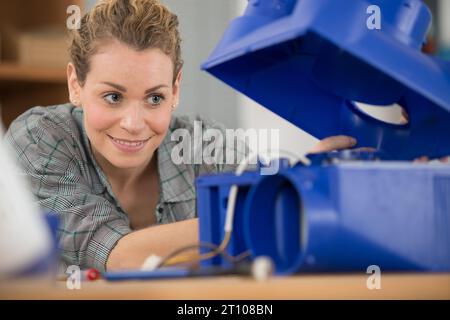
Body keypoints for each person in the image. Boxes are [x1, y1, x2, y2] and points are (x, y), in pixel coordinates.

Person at [4, 0, 358, 272]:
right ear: (75, 84)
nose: (133, 122)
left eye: (154, 98)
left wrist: (314, 180)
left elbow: (281, 195)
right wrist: (273, 213)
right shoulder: (40, 139)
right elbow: (116, 254)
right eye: (113, 97)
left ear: (175, 90)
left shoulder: (206, 146)